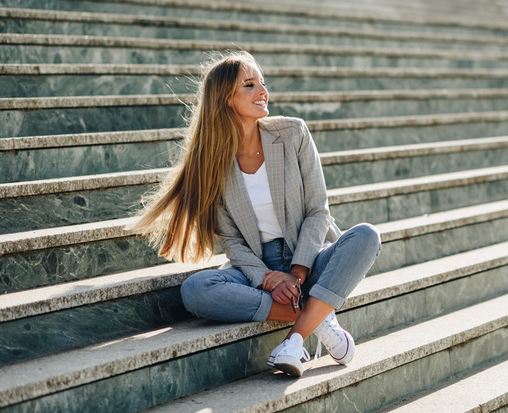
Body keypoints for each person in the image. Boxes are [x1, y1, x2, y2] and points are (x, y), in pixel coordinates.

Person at [131, 51, 381, 377]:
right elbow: (231, 241)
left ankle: (294, 340)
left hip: (309, 258)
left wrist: (297, 274)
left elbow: (318, 211)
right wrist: (265, 277)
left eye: (262, 83)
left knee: (366, 236)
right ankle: (316, 314)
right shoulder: (212, 164)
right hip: (256, 268)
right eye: (250, 85)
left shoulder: (293, 134)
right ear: (225, 100)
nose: (263, 91)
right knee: (196, 290)